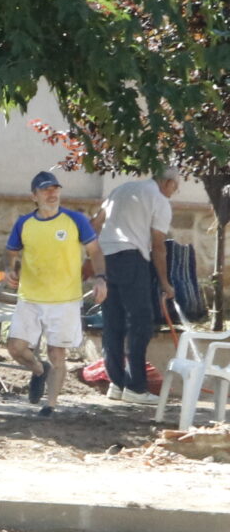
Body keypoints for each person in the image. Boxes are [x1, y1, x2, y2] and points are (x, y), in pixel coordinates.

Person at [5, 170, 106, 417]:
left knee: (56, 353)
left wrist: (101, 279)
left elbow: (95, 252)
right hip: (30, 297)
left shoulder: (75, 220)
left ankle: (49, 406)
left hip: (64, 300)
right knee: (15, 348)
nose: (52, 194)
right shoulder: (24, 224)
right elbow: (11, 252)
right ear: (34, 197)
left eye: (55, 189)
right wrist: (9, 268)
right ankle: (39, 370)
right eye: (45, 190)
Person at [96, 168, 181, 397]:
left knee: (113, 322)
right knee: (141, 322)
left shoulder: (121, 189)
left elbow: (96, 223)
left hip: (106, 258)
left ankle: (117, 382)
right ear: (167, 182)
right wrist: (165, 283)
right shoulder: (159, 200)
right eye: (176, 186)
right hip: (132, 258)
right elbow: (159, 246)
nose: (175, 192)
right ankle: (135, 387)